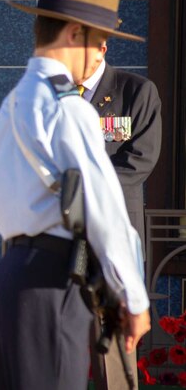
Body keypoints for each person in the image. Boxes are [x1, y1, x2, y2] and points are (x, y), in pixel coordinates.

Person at [0, 0, 151, 389]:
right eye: (99, 41)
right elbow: (105, 210)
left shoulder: (12, 103)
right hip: (53, 278)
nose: (101, 54)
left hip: (12, 274)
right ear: (75, 33)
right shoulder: (70, 108)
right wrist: (134, 296)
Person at [80, 47, 161, 389]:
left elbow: (139, 161)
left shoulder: (135, 91)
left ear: (101, 46)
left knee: (111, 354)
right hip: (57, 239)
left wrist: (78, 186)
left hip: (111, 241)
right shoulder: (51, 96)